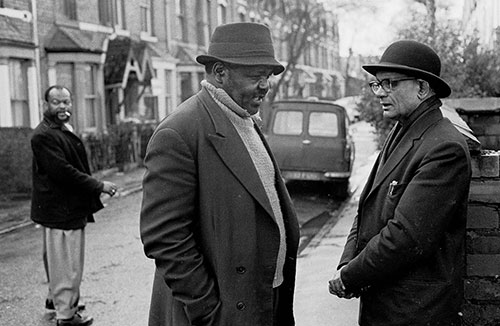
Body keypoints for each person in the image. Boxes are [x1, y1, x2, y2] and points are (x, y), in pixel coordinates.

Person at [140, 22, 300, 326]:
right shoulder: (180, 131)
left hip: (263, 299)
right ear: (219, 71)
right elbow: (164, 237)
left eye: (267, 75)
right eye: (255, 75)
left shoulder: (245, 119)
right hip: (223, 312)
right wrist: (210, 311)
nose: (265, 85)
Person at [328, 40, 472, 326]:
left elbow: (407, 237)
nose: (380, 93)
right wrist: (347, 262)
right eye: (378, 84)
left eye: (391, 83)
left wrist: (350, 276)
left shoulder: (445, 148)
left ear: (422, 88)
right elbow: (366, 206)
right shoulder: (402, 129)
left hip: (416, 314)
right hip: (386, 307)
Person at [31, 85, 118, 326]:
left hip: (62, 209)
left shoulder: (59, 129)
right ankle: (66, 316)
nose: (63, 107)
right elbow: (64, 172)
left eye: (66, 102)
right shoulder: (44, 135)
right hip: (62, 210)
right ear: (45, 105)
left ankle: (56, 301)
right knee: (67, 264)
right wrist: (98, 185)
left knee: (58, 261)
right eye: (56, 102)